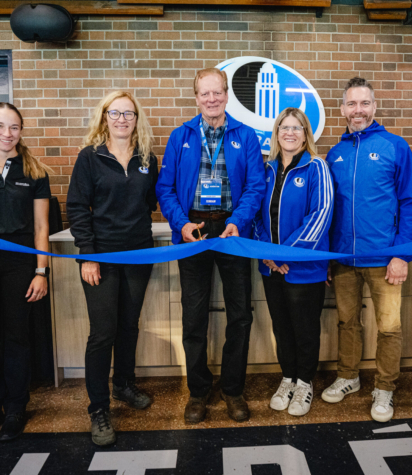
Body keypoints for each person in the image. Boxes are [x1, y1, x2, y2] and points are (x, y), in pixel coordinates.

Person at [156, 67, 265, 423]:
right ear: (196, 97)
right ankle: (199, 392)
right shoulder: (180, 136)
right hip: (194, 230)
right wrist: (181, 223)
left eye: (217, 92)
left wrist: (238, 222)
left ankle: (233, 390)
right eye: (205, 94)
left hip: (233, 230)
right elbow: (165, 189)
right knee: (194, 315)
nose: (212, 99)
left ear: (227, 95)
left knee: (240, 315)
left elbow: (255, 188)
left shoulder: (246, 136)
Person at [323, 77, 412, 422]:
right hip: (344, 259)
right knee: (346, 322)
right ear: (342, 110)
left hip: (385, 259)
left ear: (374, 107)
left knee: (389, 327)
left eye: (364, 103)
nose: (358, 111)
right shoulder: (334, 154)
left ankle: (385, 388)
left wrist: (402, 254)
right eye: (351, 104)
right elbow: (327, 210)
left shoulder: (395, 147)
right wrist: (327, 257)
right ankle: (349, 377)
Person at [67, 91, 158, 446]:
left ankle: (123, 384)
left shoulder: (147, 157)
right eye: (115, 113)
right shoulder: (90, 158)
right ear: (104, 117)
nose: (122, 119)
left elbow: (152, 201)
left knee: (128, 326)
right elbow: (77, 207)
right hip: (100, 258)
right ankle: (99, 409)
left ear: (137, 119)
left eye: (129, 114)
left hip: (138, 255)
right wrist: (88, 255)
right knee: (102, 332)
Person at [253, 108, 333, 416]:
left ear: (305, 133)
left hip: (305, 268)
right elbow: (257, 219)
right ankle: (288, 377)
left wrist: (285, 254)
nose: (290, 132)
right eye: (284, 127)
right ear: (276, 133)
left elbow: (321, 214)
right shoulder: (266, 169)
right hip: (271, 267)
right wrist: (268, 254)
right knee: (282, 326)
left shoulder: (317, 167)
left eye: (296, 127)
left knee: (305, 328)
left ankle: (304, 383)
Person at [0, 103, 51, 441]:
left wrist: (41, 271)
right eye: (2, 126)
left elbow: (41, 227)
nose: (7, 133)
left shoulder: (34, 171)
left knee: (15, 337)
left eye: (14, 127)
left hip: (18, 263)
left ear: (21, 130)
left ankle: (15, 407)